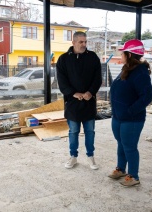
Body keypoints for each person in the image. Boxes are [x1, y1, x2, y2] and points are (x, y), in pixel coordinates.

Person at [108, 39, 152, 186]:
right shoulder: (126, 69)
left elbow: (147, 96)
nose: (120, 54)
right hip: (118, 116)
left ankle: (133, 176)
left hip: (132, 119)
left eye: (122, 52)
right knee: (121, 143)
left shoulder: (140, 72)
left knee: (129, 146)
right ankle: (121, 169)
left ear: (129, 54)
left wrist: (130, 111)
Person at [56, 31, 102, 170]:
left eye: (85, 42)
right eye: (81, 42)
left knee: (90, 131)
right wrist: (73, 93)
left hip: (89, 102)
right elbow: (61, 81)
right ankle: (73, 157)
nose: (84, 44)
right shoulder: (63, 59)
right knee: (73, 131)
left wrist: (90, 92)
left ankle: (90, 157)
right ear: (73, 42)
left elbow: (98, 78)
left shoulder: (93, 57)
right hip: (72, 103)